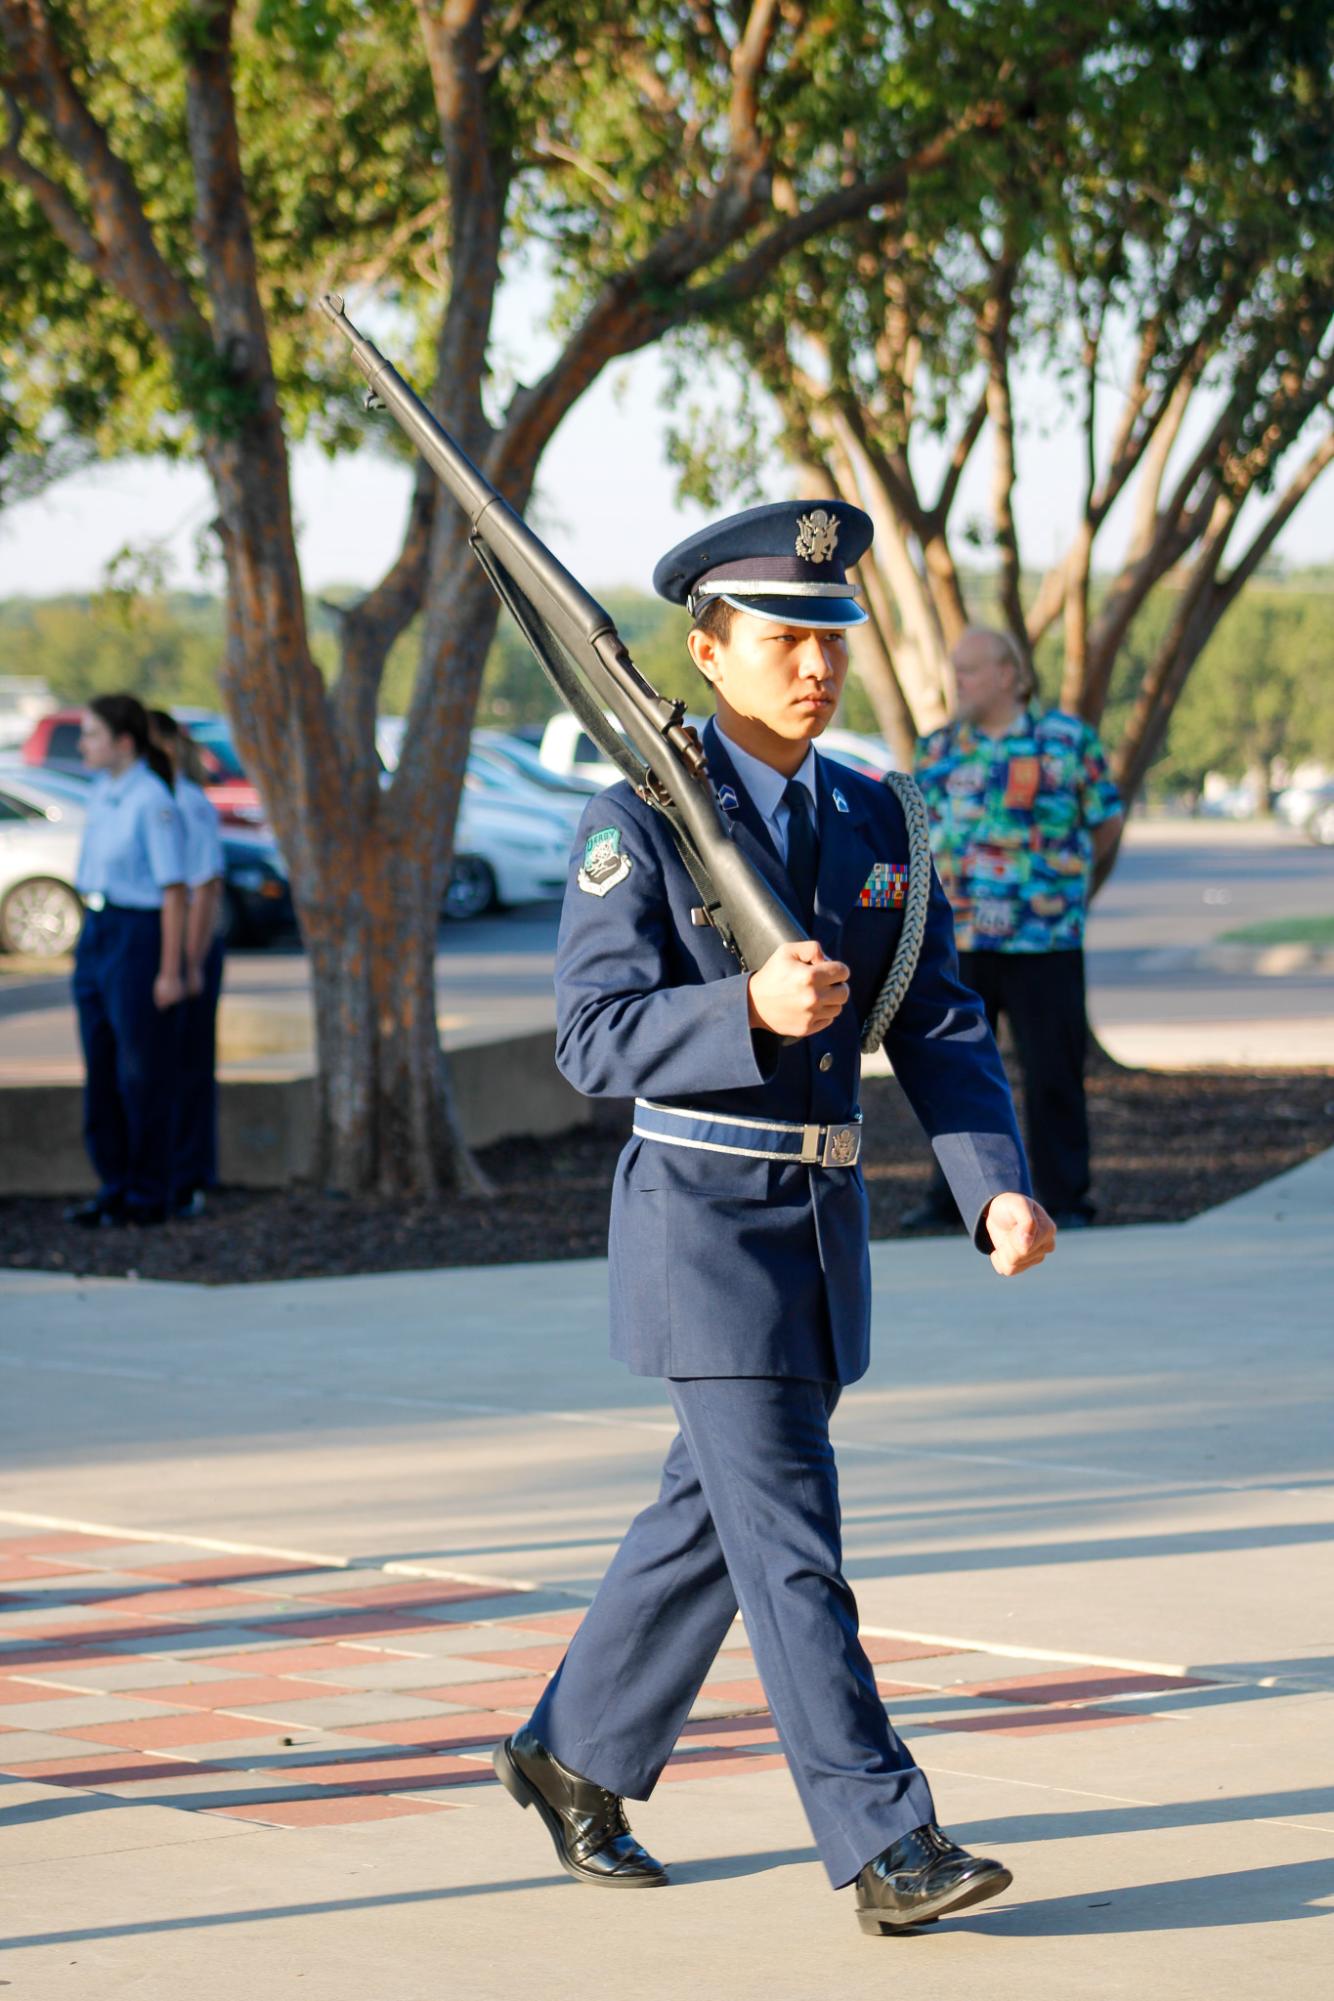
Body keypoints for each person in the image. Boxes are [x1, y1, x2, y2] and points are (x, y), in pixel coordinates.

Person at [492, 501, 1056, 1936]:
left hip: (817, 1219)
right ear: (707, 649)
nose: (815, 665)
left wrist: (993, 1183)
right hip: (699, 1218)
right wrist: (736, 1007)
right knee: (790, 1534)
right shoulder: (637, 820)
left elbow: (933, 1018)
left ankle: (570, 1753)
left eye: (831, 639)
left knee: (711, 1517)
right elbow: (591, 1037)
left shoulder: (874, 813)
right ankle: (888, 1839)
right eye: (784, 638)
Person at [905, 627, 1124, 1231]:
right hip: (961, 943)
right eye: (956, 671)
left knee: (1053, 1073)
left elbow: (1105, 822)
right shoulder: (938, 748)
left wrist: (1065, 886)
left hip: (1044, 941)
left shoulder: (1066, 742)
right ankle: (951, 1200)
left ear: (1010, 673)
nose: (959, 683)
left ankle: (1068, 1197)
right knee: (953, 1071)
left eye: (970, 671)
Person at [65, 693, 187, 1228]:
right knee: (101, 1067)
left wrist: (170, 969)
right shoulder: (103, 792)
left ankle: (148, 1192)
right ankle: (113, 1185)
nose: (83, 744)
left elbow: (175, 891)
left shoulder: (150, 800)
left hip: (137, 935)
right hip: (97, 929)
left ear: (123, 742)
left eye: (92, 734)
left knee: (141, 1072)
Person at [149, 710, 225, 1217]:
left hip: (193, 953)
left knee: (190, 1068)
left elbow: (205, 887)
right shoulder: (158, 799)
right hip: (170, 950)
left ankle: (190, 1178)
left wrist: (190, 962)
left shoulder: (187, 802)